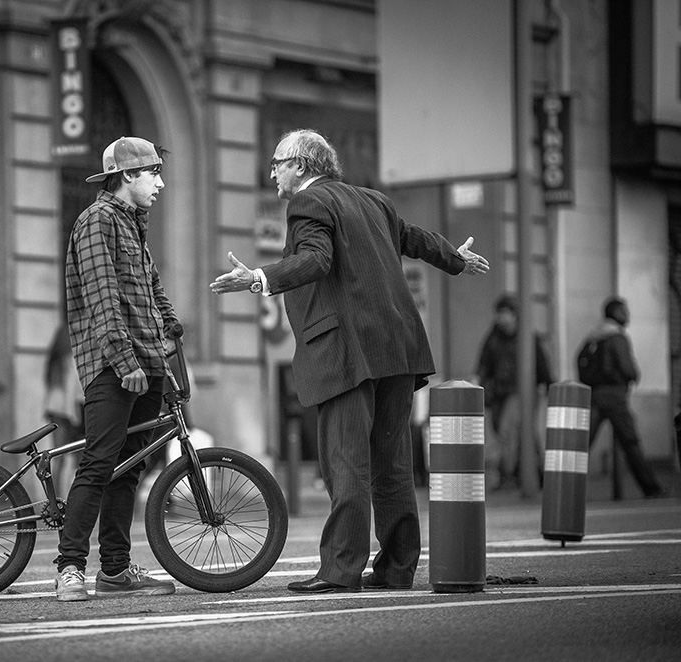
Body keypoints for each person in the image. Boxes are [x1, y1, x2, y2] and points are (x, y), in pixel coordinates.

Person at [210, 129, 489, 593]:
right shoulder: (373, 200)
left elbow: (316, 260)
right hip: (398, 348)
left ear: (301, 165)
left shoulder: (307, 204)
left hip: (346, 351)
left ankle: (340, 572)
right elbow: (413, 238)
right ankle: (397, 568)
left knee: (346, 463)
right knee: (392, 464)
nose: (273, 171)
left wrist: (259, 277)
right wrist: (454, 260)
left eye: (278, 162)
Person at [54, 136, 180, 601]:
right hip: (114, 364)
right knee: (99, 461)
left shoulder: (133, 223)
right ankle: (69, 567)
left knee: (127, 468)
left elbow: (148, 287)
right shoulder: (97, 221)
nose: (161, 183)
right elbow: (104, 297)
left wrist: (171, 323)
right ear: (128, 176)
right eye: (154, 173)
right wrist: (124, 362)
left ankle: (114, 569)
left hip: (147, 360)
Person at [578, 297, 666, 498]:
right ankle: (651, 489)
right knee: (631, 443)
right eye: (624, 311)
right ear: (617, 313)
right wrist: (634, 376)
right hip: (615, 396)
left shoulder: (594, 336)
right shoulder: (618, 338)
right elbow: (627, 368)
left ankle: (563, 486)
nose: (628, 315)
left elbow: (580, 362)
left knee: (582, 444)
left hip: (595, 394)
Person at [474, 294, 554, 494]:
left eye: (506, 313)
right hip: (500, 394)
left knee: (508, 432)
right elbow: (484, 365)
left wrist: (549, 385)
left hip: (522, 391)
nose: (502, 318)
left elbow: (541, 363)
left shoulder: (527, 336)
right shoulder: (493, 338)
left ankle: (509, 475)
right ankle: (534, 473)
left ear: (515, 315)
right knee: (521, 433)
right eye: (500, 314)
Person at [42, 324, 85, 493]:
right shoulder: (71, 360)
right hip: (69, 411)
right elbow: (71, 392)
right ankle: (69, 497)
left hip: (55, 411)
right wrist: (76, 417)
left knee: (57, 456)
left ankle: (54, 498)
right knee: (76, 458)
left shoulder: (54, 364)